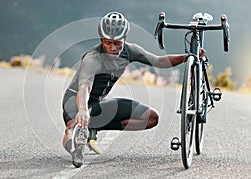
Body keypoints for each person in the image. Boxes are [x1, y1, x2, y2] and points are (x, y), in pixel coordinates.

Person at [62, 11, 205, 168]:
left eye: (118, 43)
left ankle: (93, 126)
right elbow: (85, 86)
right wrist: (82, 110)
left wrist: (186, 57)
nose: (113, 48)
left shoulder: (129, 51)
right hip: (75, 102)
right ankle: (76, 149)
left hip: (97, 104)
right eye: (108, 43)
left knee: (151, 118)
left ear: (125, 40)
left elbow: (158, 61)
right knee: (71, 128)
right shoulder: (92, 58)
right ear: (101, 40)